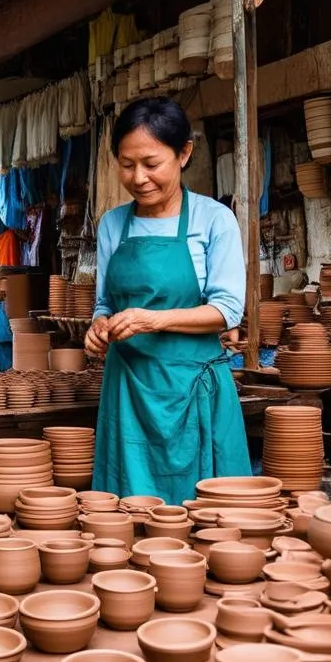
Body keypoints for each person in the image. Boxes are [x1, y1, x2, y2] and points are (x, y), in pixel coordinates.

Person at [85, 97, 251, 505]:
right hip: (128, 392)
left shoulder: (214, 220)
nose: (139, 177)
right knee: (128, 517)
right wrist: (98, 326)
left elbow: (227, 310)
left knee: (205, 517)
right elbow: (105, 300)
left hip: (192, 389)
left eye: (151, 163)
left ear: (184, 153)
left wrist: (151, 321)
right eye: (126, 165)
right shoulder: (112, 225)